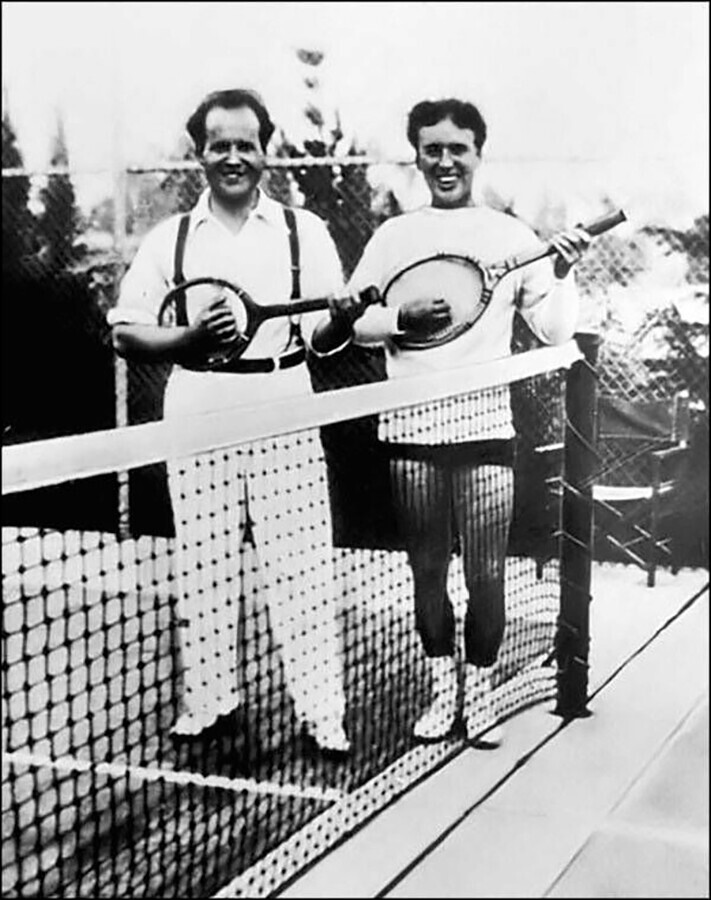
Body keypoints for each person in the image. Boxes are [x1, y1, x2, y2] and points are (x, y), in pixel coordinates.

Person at [312, 97, 591, 747]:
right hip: (410, 433)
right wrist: (398, 322)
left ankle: (482, 694)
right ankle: (443, 695)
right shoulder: (392, 239)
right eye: (431, 148)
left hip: (486, 430)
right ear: (416, 154)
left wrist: (562, 269)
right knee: (427, 573)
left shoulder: (511, 236)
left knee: (486, 575)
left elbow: (552, 329)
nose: (444, 160)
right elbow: (351, 328)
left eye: (456, 148)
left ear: (476, 153)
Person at [108, 88, 350, 753]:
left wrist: (346, 316)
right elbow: (126, 334)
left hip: (284, 402)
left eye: (247, 144)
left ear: (265, 150)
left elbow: (326, 341)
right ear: (200, 153)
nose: (234, 157)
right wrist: (186, 339)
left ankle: (321, 715)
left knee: (300, 566)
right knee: (203, 563)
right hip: (197, 405)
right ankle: (211, 704)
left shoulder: (308, 233)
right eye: (221, 145)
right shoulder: (170, 238)